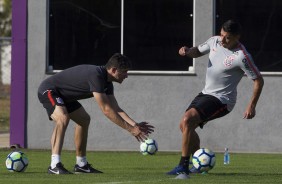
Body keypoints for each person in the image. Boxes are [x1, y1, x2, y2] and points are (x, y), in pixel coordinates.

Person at [167, 20, 264, 175]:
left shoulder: (242, 56)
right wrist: (187, 51)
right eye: (222, 35)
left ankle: (183, 166)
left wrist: (252, 105)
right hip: (206, 93)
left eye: (228, 37)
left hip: (223, 100)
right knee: (184, 126)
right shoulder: (214, 41)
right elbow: (197, 51)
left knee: (188, 120)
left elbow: (258, 80)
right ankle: (200, 164)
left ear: (237, 37)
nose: (223, 40)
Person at [38, 53, 154, 174]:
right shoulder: (97, 76)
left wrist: (135, 125)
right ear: (114, 70)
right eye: (124, 72)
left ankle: (81, 164)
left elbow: (115, 108)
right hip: (49, 90)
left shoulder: (107, 82)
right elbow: (106, 110)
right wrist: (130, 129)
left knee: (84, 120)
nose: (126, 76)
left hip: (64, 97)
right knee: (63, 118)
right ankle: (54, 165)